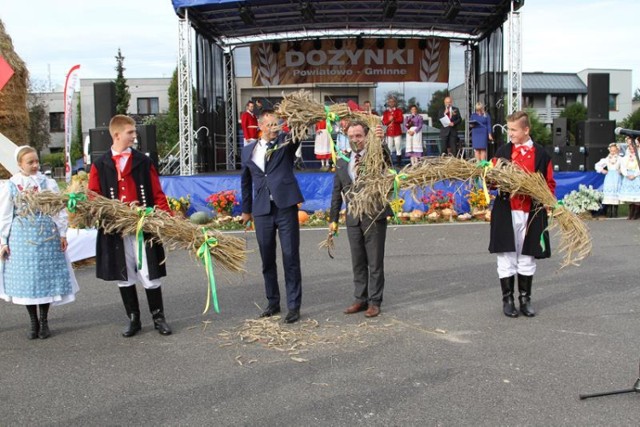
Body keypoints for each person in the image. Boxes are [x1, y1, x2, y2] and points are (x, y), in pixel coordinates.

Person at [88, 115, 173, 337]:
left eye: (134, 132)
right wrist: (111, 209)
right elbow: (93, 196)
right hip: (116, 230)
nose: (135, 136)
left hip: (143, 226)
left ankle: (158, 317)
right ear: (117, 135)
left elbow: (157, 193)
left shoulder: (143, 162)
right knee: (124, 274)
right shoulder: (100, 164)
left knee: (149, 272)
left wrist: (169, 219)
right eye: (130, 133)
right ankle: (133, 318)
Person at [0, 146, 78, 339]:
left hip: (46, 234)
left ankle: (44, 321)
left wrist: (62, 233)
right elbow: (5, 215)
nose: (35, 165)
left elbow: (58, 210)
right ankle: (33, 321)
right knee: (28, 281)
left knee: (44, 278)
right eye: (30, 162)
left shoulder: (47, 183)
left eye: (36, 161)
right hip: (22, 236)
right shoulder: (12, 185)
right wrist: (3, 240)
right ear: (20, 164)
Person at [488, 111, 555, 318]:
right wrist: (494, 179)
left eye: (514, 129)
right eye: (508, 129)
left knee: (527, 256)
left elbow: (550, 183)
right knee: (507, 256)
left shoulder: (541, 154)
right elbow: (491, 181)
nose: (510, 133)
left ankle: (525, 299)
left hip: (531, 213)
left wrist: (548, 201)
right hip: (507, 212)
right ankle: (507, 300)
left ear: (526, 130)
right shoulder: (502, 151)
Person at [240, 110, 304, 324]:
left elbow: (298, 135)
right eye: (269, 124)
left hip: (285, 206)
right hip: (262, 210)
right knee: (267, 259)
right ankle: (273, 302)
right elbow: (246, 182)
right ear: (260, 126)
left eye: (277, 124)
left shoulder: (286, 143)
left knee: (290, 256)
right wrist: (246, 211)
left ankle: (293, 306)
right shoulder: (248, 150)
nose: (273, 128)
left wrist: (297, 117)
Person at [329, 121, 391, 318]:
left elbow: (388, 161)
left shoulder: (376, 155)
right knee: (358, 261)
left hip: (374, 215)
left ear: (366, 137)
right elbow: (337, 192)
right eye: (352, 136)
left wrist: (381, 142)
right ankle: (360, 299)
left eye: (359, 136)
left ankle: (374, 301)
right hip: (353, 218)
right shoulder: (342, 160)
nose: (355, 140)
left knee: (374, 262)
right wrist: (333, 219)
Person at [594, 143, 622, 218]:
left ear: (617, 150)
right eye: (611, 150)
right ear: (609, 150)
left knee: (615, 192)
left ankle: (615, 212)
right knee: (609, 194)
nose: (613, 152)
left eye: (614, 150)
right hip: (609, 177)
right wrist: (602, 170)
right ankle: (609, 212)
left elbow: (625, 166)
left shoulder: (620, 159)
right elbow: (597, 165)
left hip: (616, 177)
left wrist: (621, 170)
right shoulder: (607, 159)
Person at [618, 137, 640, 220]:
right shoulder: (626, 157)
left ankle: (636, 213)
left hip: (636, 176)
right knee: (630, 198)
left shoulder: (638, 156)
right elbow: (623, 167)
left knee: (637, 196)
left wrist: (634, 175)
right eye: (630, 148)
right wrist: (626, 174)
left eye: (633, 148)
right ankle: (631, 213)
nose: (632, 150)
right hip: (628, 176)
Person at [382, 96, 404, 167]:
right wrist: (389, 120)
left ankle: (399, 164)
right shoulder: (386, 112)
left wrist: (393, 119)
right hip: (389, 133)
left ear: (395, 103)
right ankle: (390, 164)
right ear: (388, 103)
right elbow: (384, 122)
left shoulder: (398, 111)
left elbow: (401, 120)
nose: (391, 103)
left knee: (398, 148)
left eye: (392, 102)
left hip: (397, 132)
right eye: (390, 102)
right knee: (389, 149)